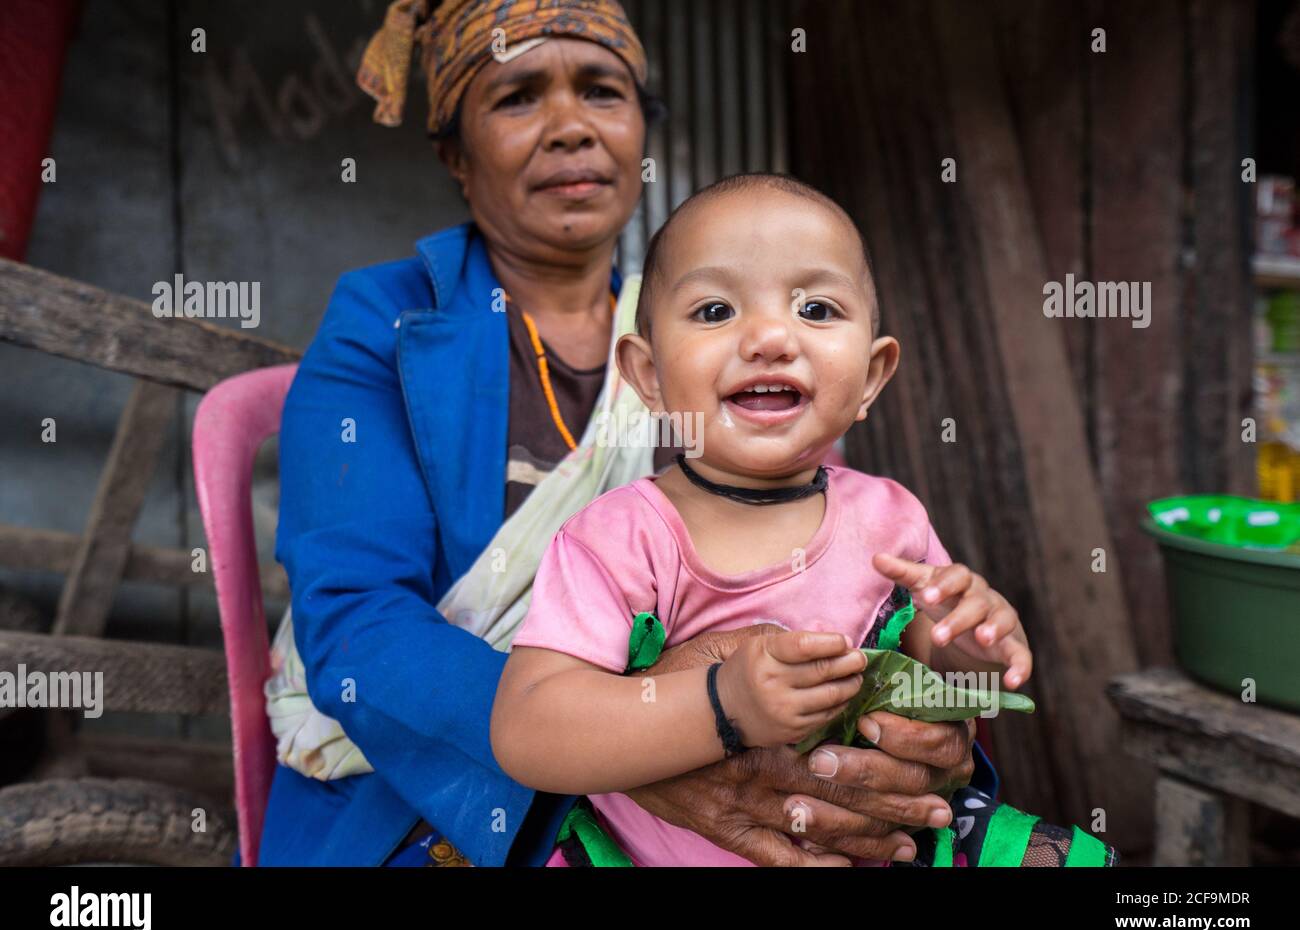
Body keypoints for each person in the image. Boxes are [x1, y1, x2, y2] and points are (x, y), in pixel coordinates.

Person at [263, 0, 989, 868]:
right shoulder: (384, 325)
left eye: (603, 92)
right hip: (440, 780)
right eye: (518, 98)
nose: (571, 127)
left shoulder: (721, 337)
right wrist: (624, 746)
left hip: (737, 759)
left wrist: (916, 722)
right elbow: (357, 624)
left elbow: (831, 584)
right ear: (456, 155)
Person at [491, 173, 1118, 867]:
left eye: (816, 309)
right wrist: (719, 705)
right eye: (713, 311)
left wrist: (972, 647)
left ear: (873, 377)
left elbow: (949, 684)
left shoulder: (890, 516)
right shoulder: (619, 538)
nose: (769, 337)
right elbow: (529, 731)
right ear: (647, 376)